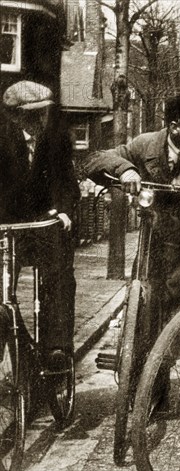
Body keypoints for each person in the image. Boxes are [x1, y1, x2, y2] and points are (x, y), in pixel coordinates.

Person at [83, 94, 180, 343]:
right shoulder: (145, 145)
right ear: (174, 127)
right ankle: (145, 376)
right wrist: (125, 170)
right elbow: (94, 159)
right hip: (157, 242)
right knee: (146, 309)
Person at [0, 80, 80, 370]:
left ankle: (56, 348)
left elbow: (66, 181)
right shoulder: (2, 139)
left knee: (59, 271)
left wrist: (64, 210)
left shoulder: (55, 139)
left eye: (43, 113)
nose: (38, 121)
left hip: (44, 221)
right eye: (31, 115)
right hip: (6, 224)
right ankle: (19, 345)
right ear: (13, 115)